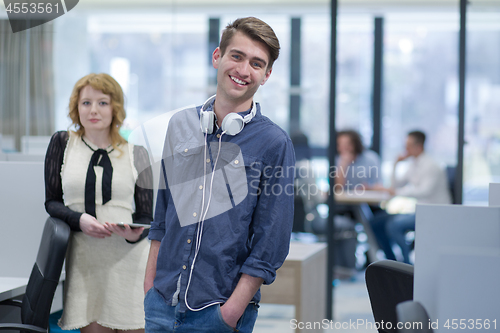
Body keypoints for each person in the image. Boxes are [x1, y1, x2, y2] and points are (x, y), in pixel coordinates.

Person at [144, 17, 295, 333]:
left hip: (218, 312)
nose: (243, 70)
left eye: (256, 63)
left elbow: (272, 241)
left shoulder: (274, 143)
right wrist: (150, 287)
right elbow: (163, 214)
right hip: (161, 302)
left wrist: (231, 311)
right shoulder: (180, 125)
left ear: (266, 75)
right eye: (237, 56)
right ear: (218, 57)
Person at [44, 73, 153, 332]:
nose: (94, 110)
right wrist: (78, 220)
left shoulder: (137, 153)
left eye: (102, 102)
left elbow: (148, 216)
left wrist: (132, 233)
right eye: (86, 103)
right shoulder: (62, 143)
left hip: (129, 258)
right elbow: (51, 202)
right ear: (76, 107)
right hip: (85, 259)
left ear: (115, 107)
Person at [370, 130, 452, 264]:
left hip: (432, 213)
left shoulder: (431, 166)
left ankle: (406, 264)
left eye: (408, 146)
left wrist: (396, 192)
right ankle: (392, 261)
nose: (405, 149)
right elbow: (395, 184)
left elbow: (424, 191)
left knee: (393, 225)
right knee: (376, 222)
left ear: (418, 146)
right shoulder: (413, 164)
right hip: (419, 211)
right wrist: (395, 164)